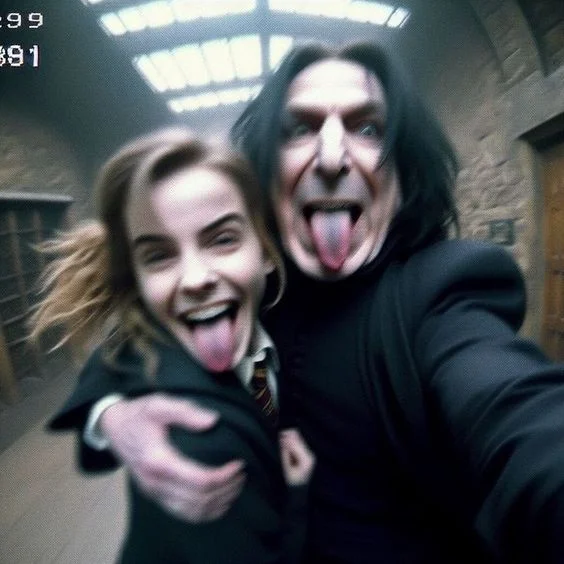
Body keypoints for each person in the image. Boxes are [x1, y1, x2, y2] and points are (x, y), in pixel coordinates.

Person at [46, 41, 564, 563]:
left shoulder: (439, 294)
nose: (332, 158)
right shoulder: (251, 283)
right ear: (267, 178)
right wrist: (111, 415)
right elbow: (139, 334)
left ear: (403, 175)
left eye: (368, 129)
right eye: (299, 128)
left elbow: (519, 418)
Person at [31, 130, 314, 563]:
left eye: (222, 239)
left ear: (265, 250)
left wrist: (107, 410)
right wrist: (299, 496)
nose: (196, 279)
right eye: (159, 255)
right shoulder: (195, 447)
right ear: (139, 281)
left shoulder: (280, 312)